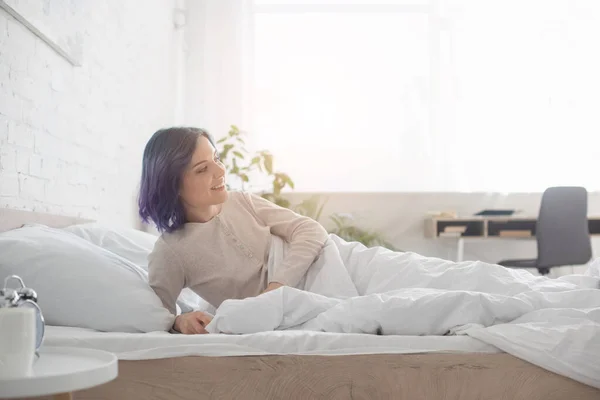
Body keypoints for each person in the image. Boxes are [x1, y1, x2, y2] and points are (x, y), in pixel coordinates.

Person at [138, 127, 329, 334]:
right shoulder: (170, 251)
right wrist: (178, 321)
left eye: (216, 158)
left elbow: (311, 230)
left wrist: (274, 292)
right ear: (172, 185)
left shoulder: (240, 201)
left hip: (327, 263)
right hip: (301, 303)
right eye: (202, 169)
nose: (220, 171)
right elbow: (155, 316)